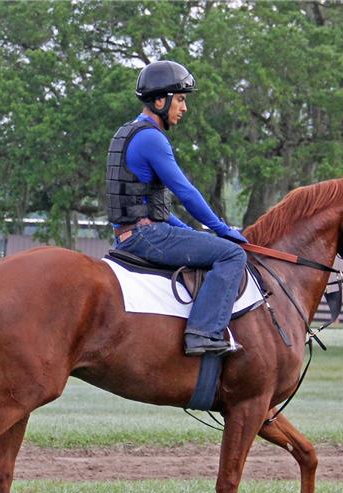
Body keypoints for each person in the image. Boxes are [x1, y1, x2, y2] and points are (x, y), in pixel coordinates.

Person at [106, 60, 248, 356]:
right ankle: (204, 333)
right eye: (180, 99)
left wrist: (189, 231)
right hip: (146, 237)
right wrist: (222, 230)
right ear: (160, 101)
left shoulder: (128, 132)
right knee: (233, 254)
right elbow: (186, 192)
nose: (184, 108)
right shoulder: (151, 138)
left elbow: (149, 205)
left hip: (129, 234)